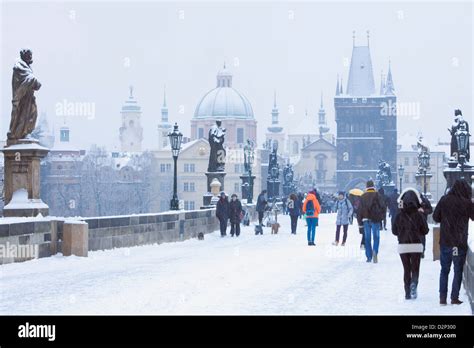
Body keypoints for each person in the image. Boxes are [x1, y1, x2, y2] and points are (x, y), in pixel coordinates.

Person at [433, 179, 474, 305]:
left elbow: (435, 217)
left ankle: (442, 297)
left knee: (444, 270)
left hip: (446, 241)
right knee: (458, 271)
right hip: (459, 242)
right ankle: (454, 297)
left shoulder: (444, 200)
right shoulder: (467, 203)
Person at [392, 188, 429, 300]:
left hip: (403, 245)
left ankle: (407, 292)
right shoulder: (419, 215)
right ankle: (414, 284)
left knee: (406, 269)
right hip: (416, 245)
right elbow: (425, 231)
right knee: (415, 268)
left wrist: (402, 232)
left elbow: (394, 231)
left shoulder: (399, 215)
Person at [358, 180, 386, 263]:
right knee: (376, 237)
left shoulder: (363, 196)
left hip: (366, 220)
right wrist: (382, 218)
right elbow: (383, 207)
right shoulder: (378, 195)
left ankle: (369, 256)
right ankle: (375, 251)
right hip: (376, 219)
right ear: (373, 186)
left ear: (366, 187)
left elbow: (359, 210)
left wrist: (360, 223)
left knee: (367, 238)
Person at [418, 192, 433, 258]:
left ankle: (422, 251)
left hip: (422, 221)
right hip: (419, 221)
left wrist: (423, 211)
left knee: (421, 237)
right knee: (421, 237)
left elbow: (430, 210)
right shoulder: (413, 201)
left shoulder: (425, 201)